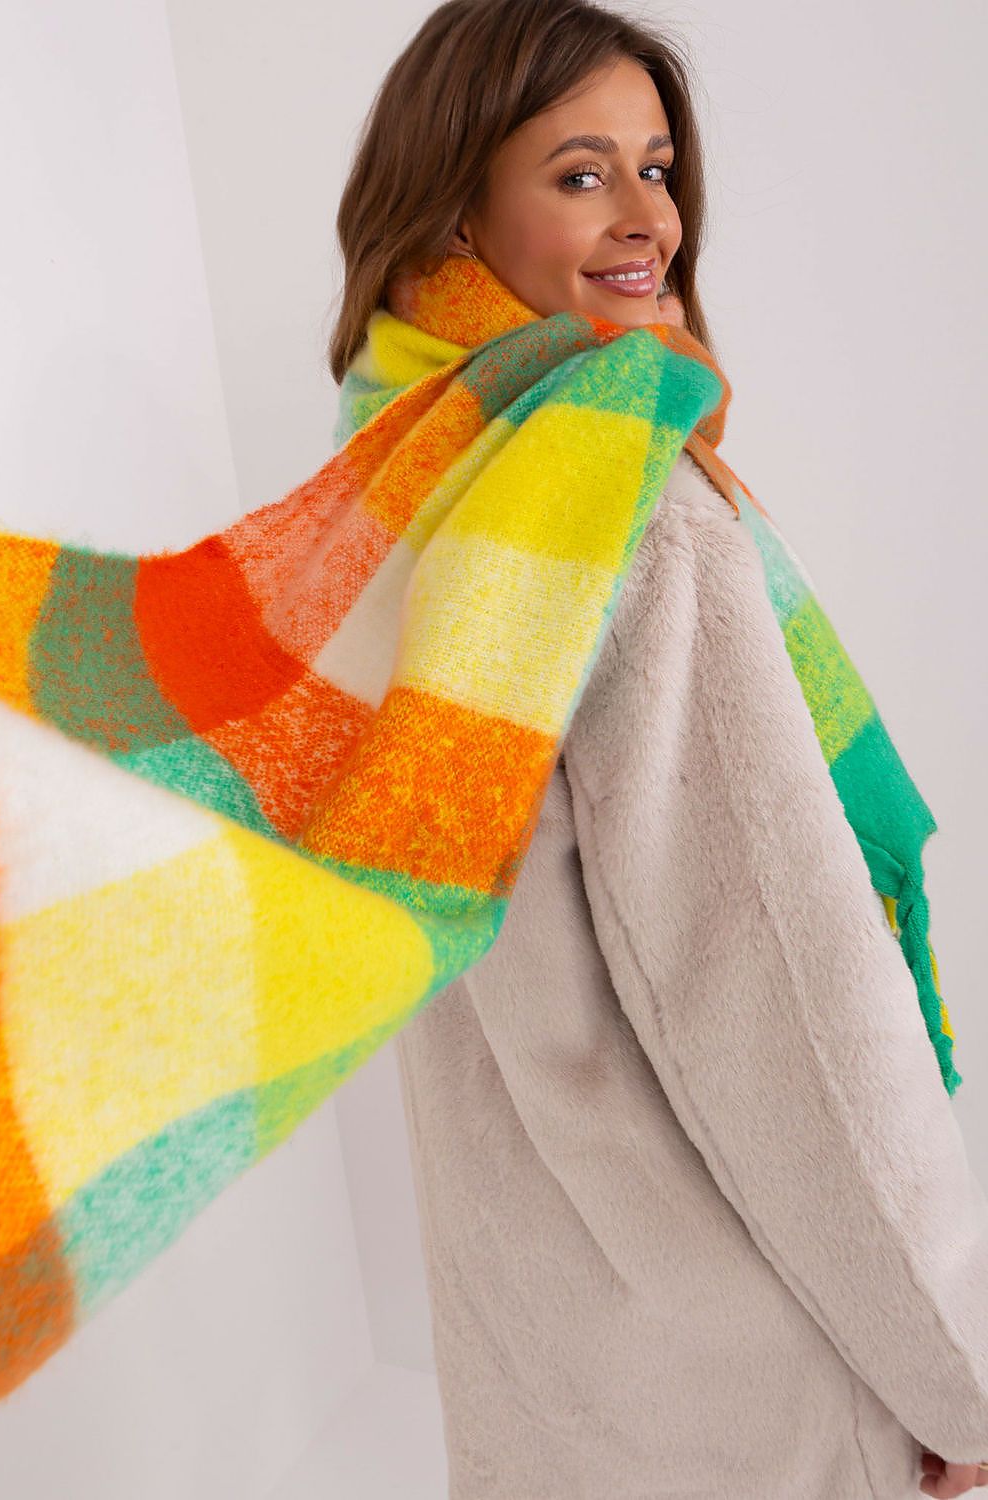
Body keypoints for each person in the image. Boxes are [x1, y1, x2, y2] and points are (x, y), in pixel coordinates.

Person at [328, 2, 988, 1495]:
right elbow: (791, 1015)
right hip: (755, 1379)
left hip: (538, 1336)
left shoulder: (391, 483)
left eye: (658, 167)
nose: (651, 221)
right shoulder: (624, 515)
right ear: (453, 207)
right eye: (581, 175)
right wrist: (956, 1374)